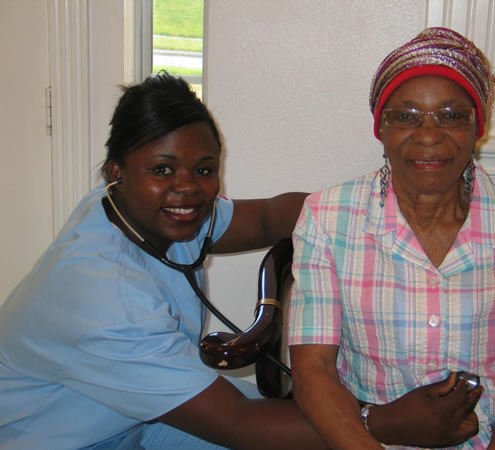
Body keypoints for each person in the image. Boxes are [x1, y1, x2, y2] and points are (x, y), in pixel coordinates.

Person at [0, 73, 328, 449]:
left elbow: (267, 218)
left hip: (135, 417)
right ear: (116, 171)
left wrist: (363, 213)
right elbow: (239, 422)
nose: (187, 187)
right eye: (162, 169)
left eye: (204, 170)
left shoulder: (138, 209)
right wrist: (388, 421)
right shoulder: (102, 294)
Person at [288, 27, 495, 449]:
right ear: (380, 128)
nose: (427, 135)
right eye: (405, 116)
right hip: (371, 434)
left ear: (478, 126)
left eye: (451, 115)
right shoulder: (327, 219)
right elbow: (314, 370)